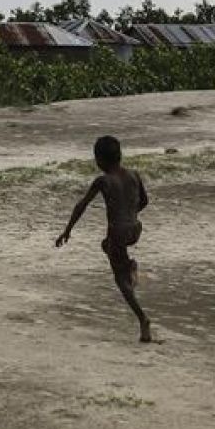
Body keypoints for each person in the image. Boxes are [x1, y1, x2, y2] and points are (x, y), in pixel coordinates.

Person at [55, 136, 152, 343]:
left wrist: (67, 231)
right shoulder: (134, 175)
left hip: (118, 233)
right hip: (135, 230)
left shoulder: (103, 180)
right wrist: (130, 214)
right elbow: (144, 201)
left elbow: (82, 205)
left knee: (121, 280)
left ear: (99, 160)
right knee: (105, 245)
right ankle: (130, 264)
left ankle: (143, 320)